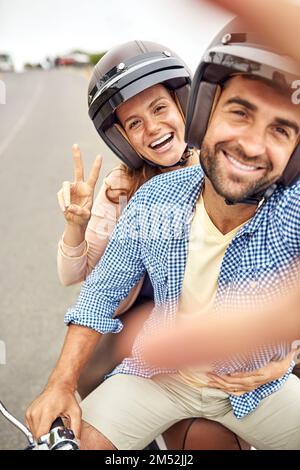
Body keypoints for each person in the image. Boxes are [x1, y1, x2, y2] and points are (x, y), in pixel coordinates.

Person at [26, 20, 300, 450]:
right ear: (207, 111)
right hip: (160, 370)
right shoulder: (150, 196)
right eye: (240, 113)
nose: (250, 144)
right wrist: (60, 382)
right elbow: (96, 290)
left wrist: (289, 353)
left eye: (281, 129)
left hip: (256, 385)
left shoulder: (289, 207)